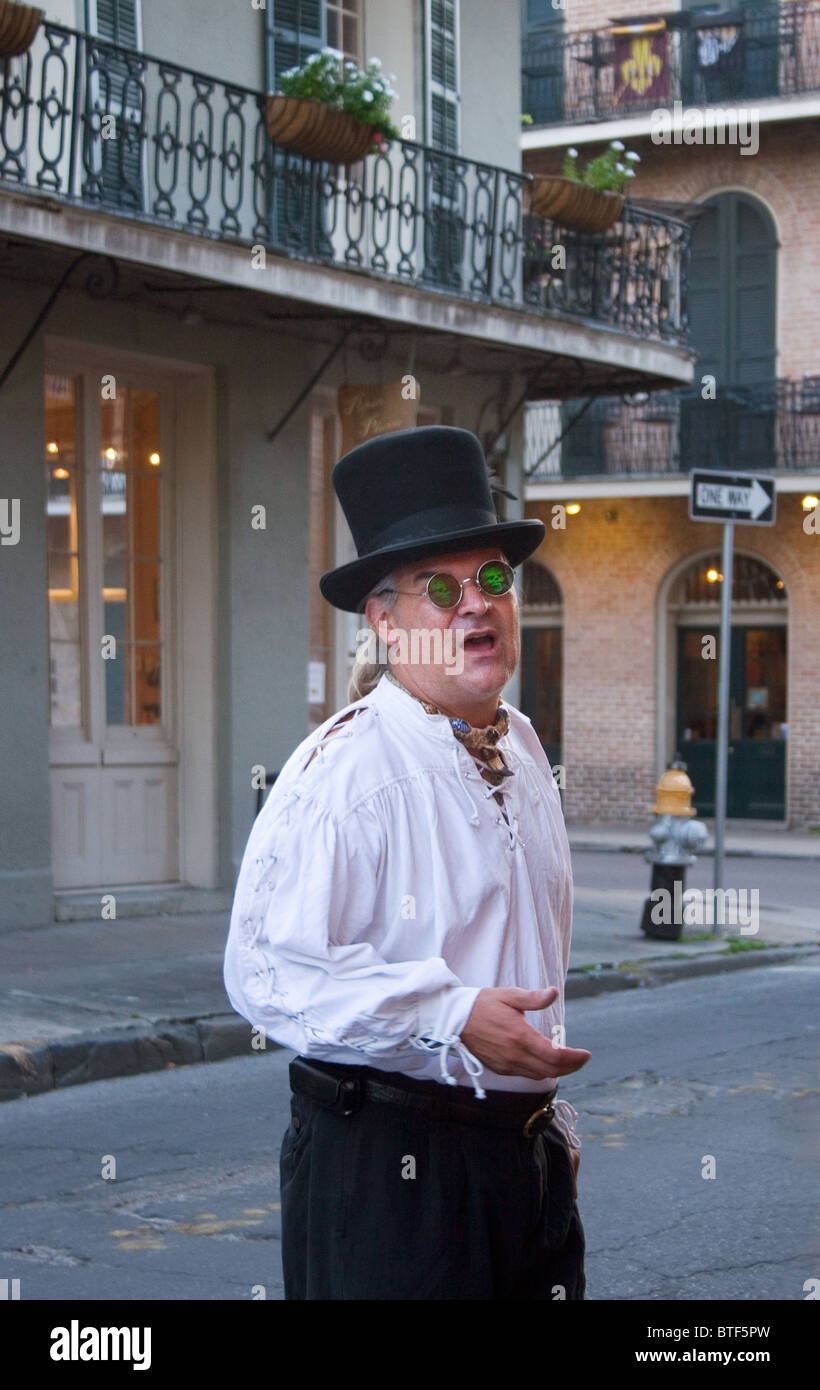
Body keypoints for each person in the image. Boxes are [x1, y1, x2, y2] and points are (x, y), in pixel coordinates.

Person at [223, 425, 591, 1300]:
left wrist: (541, 1133)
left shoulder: (526, 746)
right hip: (396, 1174)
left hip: (520, 1161)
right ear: (385, 620)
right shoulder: (345, 771)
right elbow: (264, 969)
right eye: (440, 589)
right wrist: (448, 1013)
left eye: (493, 578)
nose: (477, 604)